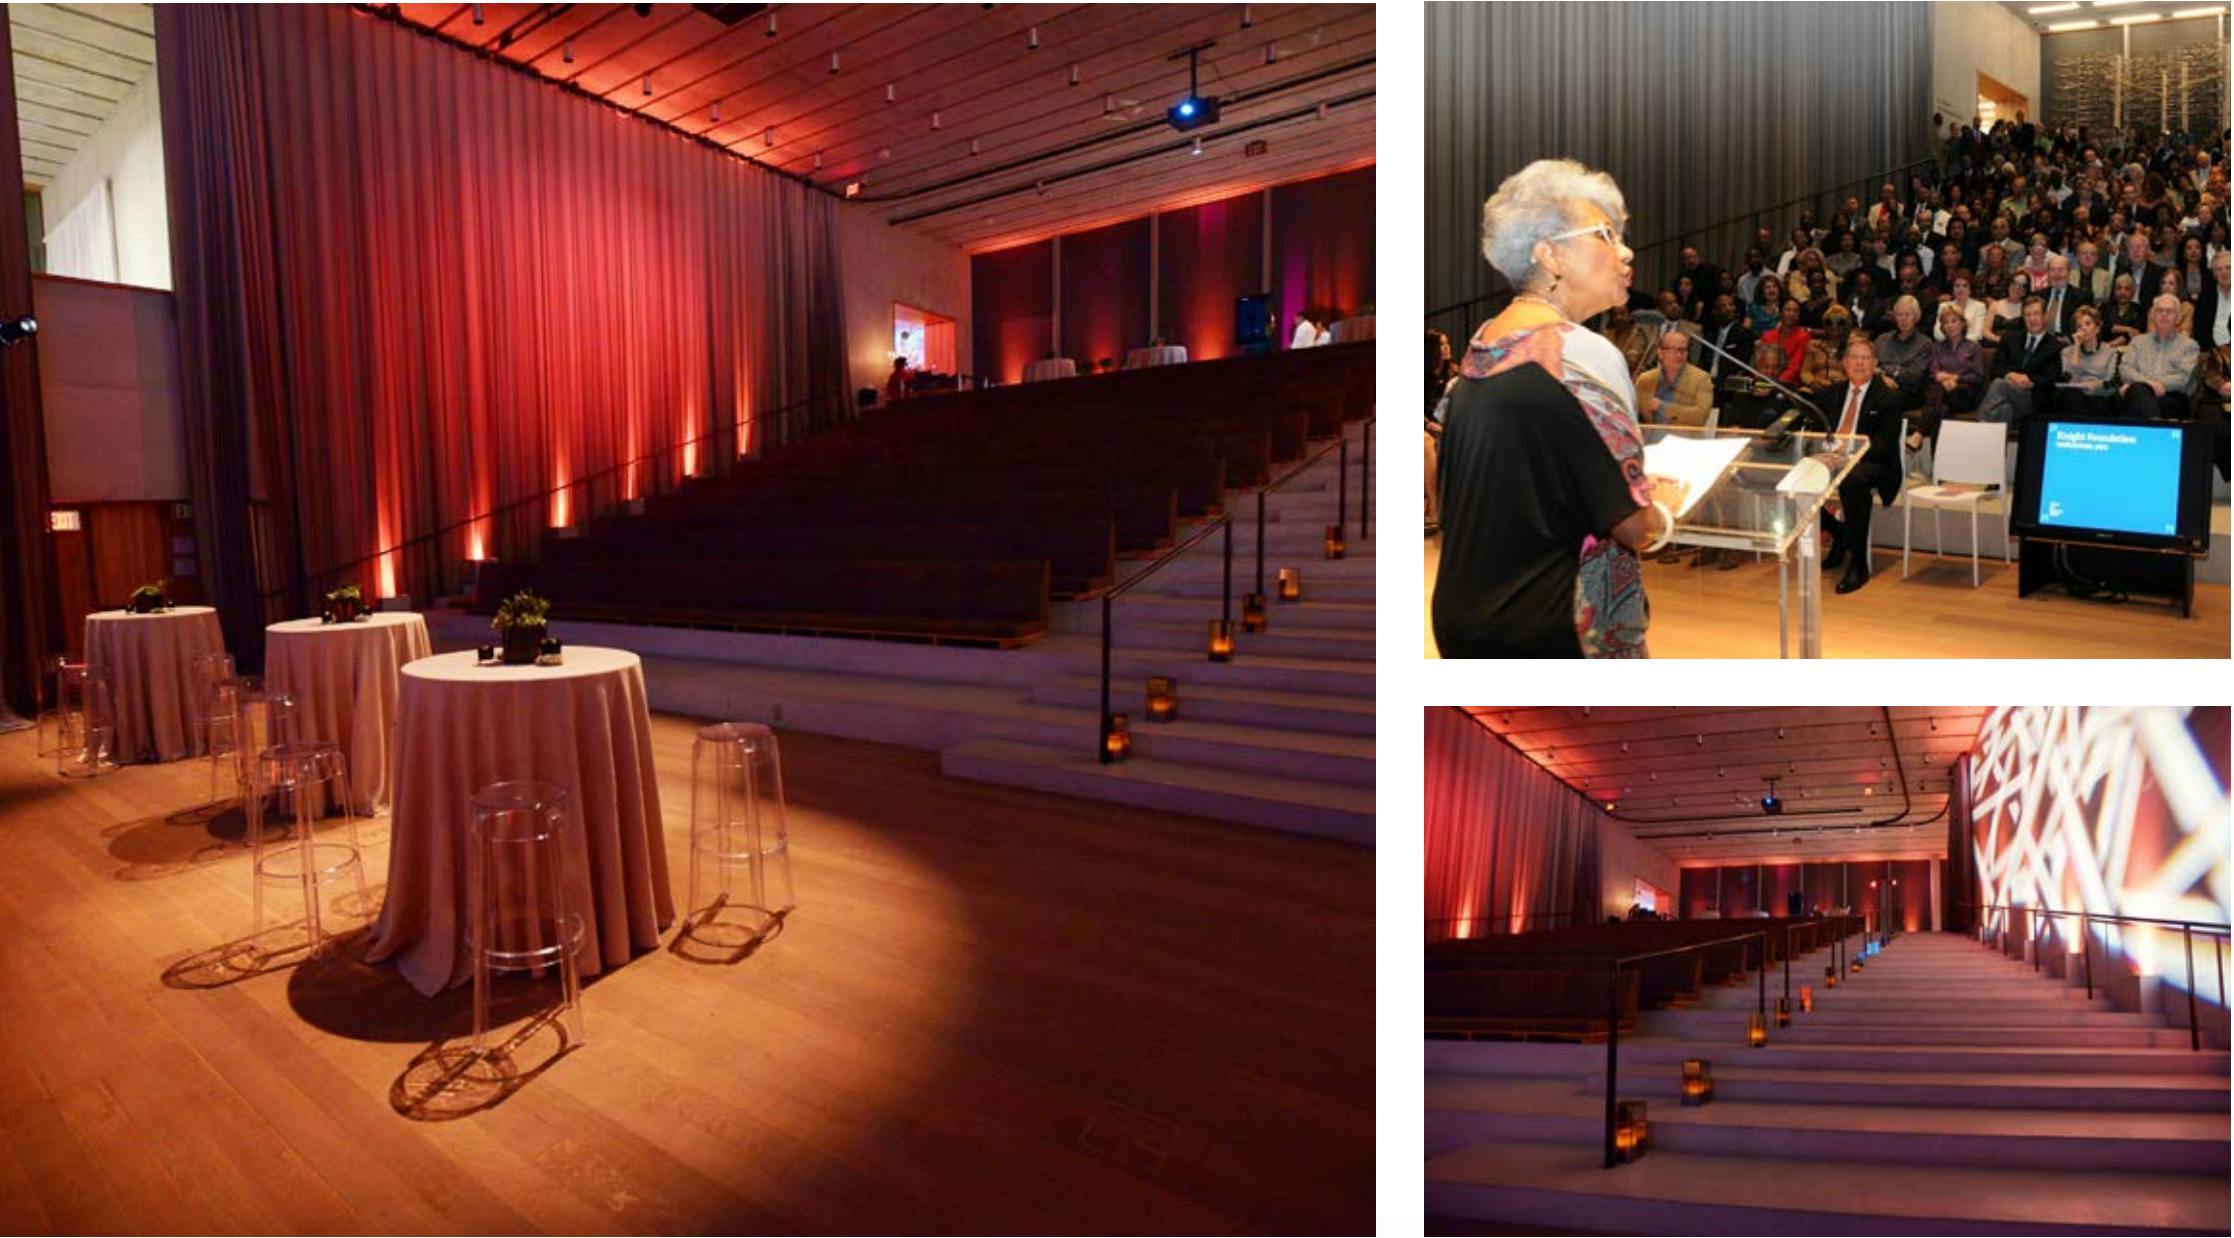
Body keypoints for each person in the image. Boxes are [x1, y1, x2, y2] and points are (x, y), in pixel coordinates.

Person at [1433, 158, 1673, 659]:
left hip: (1464, 621)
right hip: (1559, 629)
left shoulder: (1479, 349)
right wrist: (1668, 512)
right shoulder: (1579, 354)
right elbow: (1633, 526)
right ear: (1549, 255)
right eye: (1605, 235)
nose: (1627, 251)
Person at [1817, 337, 1906, 595]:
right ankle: (1840, 532)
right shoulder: (1831, 394)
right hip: (1832, 459)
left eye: (1865, 358)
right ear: (1844, 363)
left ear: (1875, 364)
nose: (1859, 363)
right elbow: (1816, 432)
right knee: (1794, 476)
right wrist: (1825, 453)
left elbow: (1884, 445)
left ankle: (1858, 564)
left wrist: (1847, 456)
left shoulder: (1888, 398)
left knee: (1852, 480)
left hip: (1874, 464)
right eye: (1854, 357)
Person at [1907, 301, 1986, 450]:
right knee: (1940, 409)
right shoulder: (1937, 347)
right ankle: (1936, 462)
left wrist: (1955, 379)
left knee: (1938, 391)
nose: (1950, 325)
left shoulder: (1973, 347)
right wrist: (1945, 381)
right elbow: (1934, 372)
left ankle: (1919, 432)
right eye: (1946, 322)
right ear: (1942, 327)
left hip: (1964, 394)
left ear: (1962, 323)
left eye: (1954, 321)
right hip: (1942, 395)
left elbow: (1977, 376)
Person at [1976, 295, 2065, 423]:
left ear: (2045, 317)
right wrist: (2011, 375)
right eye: (2027, 315)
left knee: (1999, 384)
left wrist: (2028, 379)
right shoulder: (2009, 339)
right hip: (2009, 396)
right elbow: (1996, 368)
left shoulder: (2056, 346)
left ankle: (1979, 425)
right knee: (2005, 409)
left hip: (2034, 399)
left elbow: (2052, 379)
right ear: (2023, 318)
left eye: (2036, 314)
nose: (2032, 319)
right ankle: (1993, 439)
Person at [2119, 294, 2200, 419]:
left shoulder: (2189, 345)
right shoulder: (2137, 342)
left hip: (2173, 398)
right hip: (2139, 395)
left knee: (2136, 396)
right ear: (2152, 315)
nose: (2164, 314)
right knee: (2138, 394)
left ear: (2178, 318)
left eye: (2169, 311)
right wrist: (2149, 384)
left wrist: (2144, 385)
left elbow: (2182, 379)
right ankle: (2155, 427)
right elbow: (2125, 370)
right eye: (2160, 311)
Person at [1634, 331, 1714, 428]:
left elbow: (1701, 417)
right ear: (1660, 353)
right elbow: (1634, 414)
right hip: (1651, 439)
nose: (1680, 355)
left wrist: (1663, 407)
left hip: (1683, 440)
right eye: (1675, 350)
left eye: (1683, 350)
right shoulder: (1645, 379)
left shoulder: (1701, 379)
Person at [2052, 303, 2120, 417]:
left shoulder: (2110, 352)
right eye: (2079, 326)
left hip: (2099, 398)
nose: (2083, 328)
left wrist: (2093, 386)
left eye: (2088, 324)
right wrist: (2076, 347)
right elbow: (2069, 379)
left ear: (2097, 328)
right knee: (2069, 395)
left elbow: (2111, 385)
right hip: (2073, 397)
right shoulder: (2067, 352)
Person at [1875, 295, 1934, 406]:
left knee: (1887, 399)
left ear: (1917, 317)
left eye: (1908, 314)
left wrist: (1886, 372)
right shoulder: (1882, 339)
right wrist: (1882, 378)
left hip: (1909, 392)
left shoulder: (1925, 344)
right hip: (1880, 386)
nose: (1903, 319)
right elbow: (1870, 366)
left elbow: (1913, 376)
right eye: (1899, 315)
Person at [1696, 293, 1754, 381]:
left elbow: (1739, 366)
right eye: (1723, 306)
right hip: (1705, 381)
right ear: (1715, 312)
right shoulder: (1710, 334)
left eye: (1731, 305)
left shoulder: (1744, 335)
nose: (1729, 309)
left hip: (1728, 384)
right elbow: (1702, 361)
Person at [1761, 297, 1809, 386]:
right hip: (1766, 380)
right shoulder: (1767, 335)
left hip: (1787, 384)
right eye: (1788, 310)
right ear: (1781, 312)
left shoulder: (1803, 337)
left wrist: (1775, 383)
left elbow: (1795, 367)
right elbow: (1761, 363)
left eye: (1795, 311)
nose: (1791, 314)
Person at [2036, 254, 2084, 335]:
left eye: (2060, 270)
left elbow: (2084, 326)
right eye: (2052, 270)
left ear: (2069, 273)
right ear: (2047, 273)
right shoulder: (2038, 296)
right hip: (2041, 339)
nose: (2056, 274)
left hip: (2067, 341)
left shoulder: (2081, 297)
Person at [1601, 302, 1653, 375]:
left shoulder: (1638, 334)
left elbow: (1632, 359)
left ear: (1630, 316)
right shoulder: (1607, 334)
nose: (1618, 317)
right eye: (1615, 314)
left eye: (1622, 314)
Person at [2102, 271, 2147, 344]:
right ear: (2114, 291)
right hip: (2104, 348)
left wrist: (2112, 344)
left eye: (2127, 289)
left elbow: (2136, 332)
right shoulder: (2105, 307)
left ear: (2133, 292)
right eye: (2119, 288)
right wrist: (2127, 329)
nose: (2122, 292)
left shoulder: (2140, 310)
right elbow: (2103, 327)